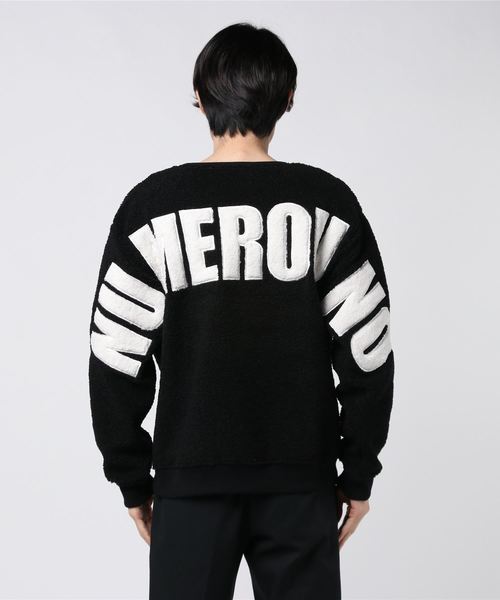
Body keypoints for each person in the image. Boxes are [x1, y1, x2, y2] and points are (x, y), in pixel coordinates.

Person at [88, 21, 394, 600]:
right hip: (300, 484)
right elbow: (367, 353)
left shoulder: (152, 207)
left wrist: (131, 478)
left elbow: (115, 356)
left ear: (199, 97)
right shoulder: (327, 204)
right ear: (289, 98)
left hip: (189, 484)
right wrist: (358, 473)